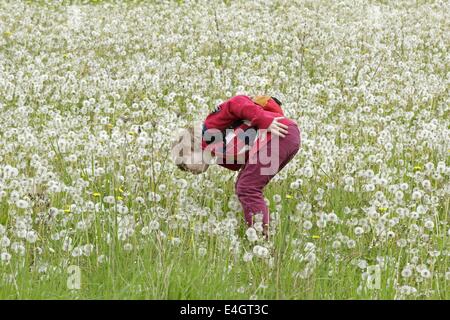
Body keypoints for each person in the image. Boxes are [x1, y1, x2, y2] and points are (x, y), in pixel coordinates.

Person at [172, 95, 301, 239]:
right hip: (284, 137)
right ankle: (261, 233)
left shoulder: (209, 127)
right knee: (244, 185)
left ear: (191, 146)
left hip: (278, 134)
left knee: (247, 187)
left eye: (185, 163)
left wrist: (264, 120)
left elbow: (236, 102)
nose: (188, 170)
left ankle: (260, 237)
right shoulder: (220, 154)